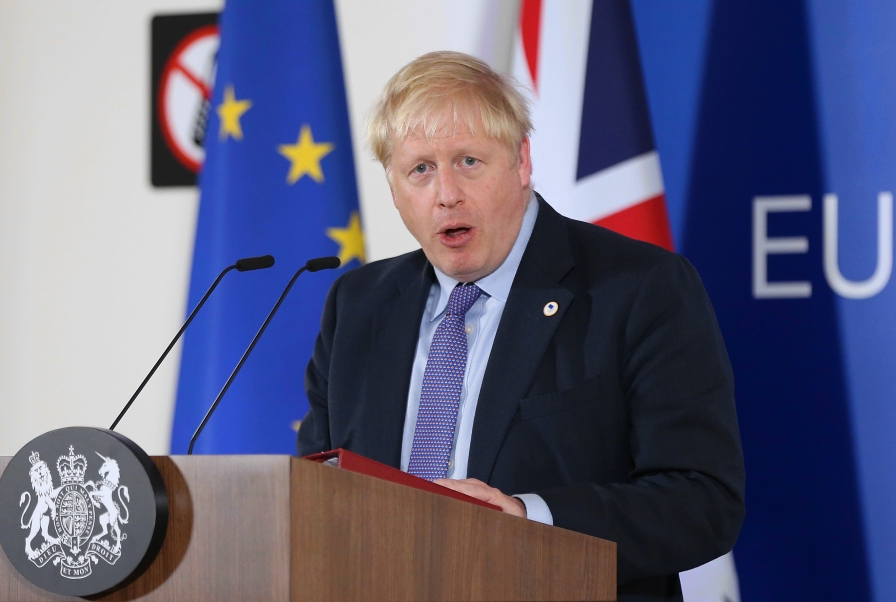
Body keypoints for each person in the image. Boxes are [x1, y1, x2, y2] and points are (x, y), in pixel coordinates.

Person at [297, 51, 744, 601]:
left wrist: (530, 518)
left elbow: (701, 501)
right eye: (420, 169)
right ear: (393, 188)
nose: (446, 194)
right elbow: (314, 494)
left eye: (468, 161)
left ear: (521, 161)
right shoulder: (358, 304)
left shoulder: (638, 287)